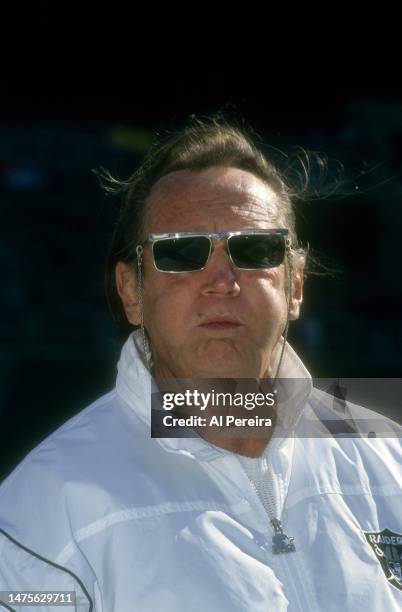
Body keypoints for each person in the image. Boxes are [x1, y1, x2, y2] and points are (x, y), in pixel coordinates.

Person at [0, 117, 401, 611]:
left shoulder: (389, 461)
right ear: (132, 292)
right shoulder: (46, 507)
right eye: (182, 252)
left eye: (255, 249)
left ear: (295, 285)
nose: (221, 281)